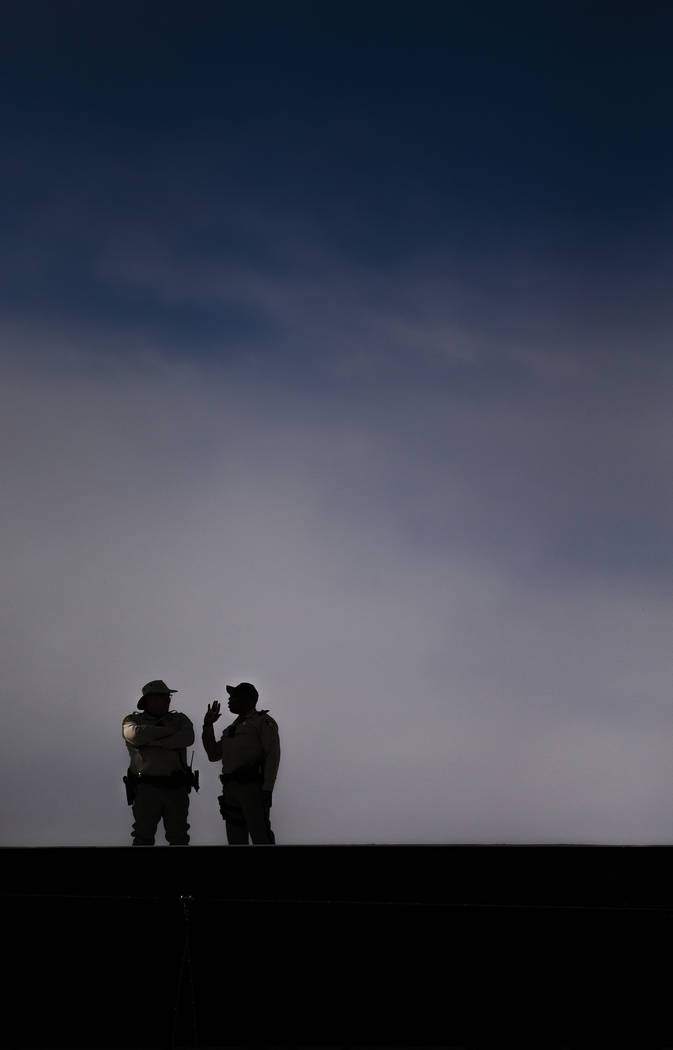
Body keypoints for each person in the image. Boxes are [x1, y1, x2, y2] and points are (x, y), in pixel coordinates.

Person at [202, 682, 280, 844]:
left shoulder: (262, 722)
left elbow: (273, 756)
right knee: (235, 839)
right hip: (231, 788)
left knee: (261, 836)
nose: (229, 700)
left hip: (252, 787)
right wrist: (208, 725)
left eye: (234, 697)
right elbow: (213, 754)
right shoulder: (232, 729)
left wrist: (267, 789)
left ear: (247, 700)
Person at [122, 679, 195, 846]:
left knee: (179, 837)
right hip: (146, 788)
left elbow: (187, 737)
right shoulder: (132, 720)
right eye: (160, 697)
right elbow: (134, 735)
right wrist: (168, 732)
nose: (166, 700)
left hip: (175, 787)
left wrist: (156, 742)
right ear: (148, 701)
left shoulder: (180, 720)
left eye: (166, 697)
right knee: (143, 837)